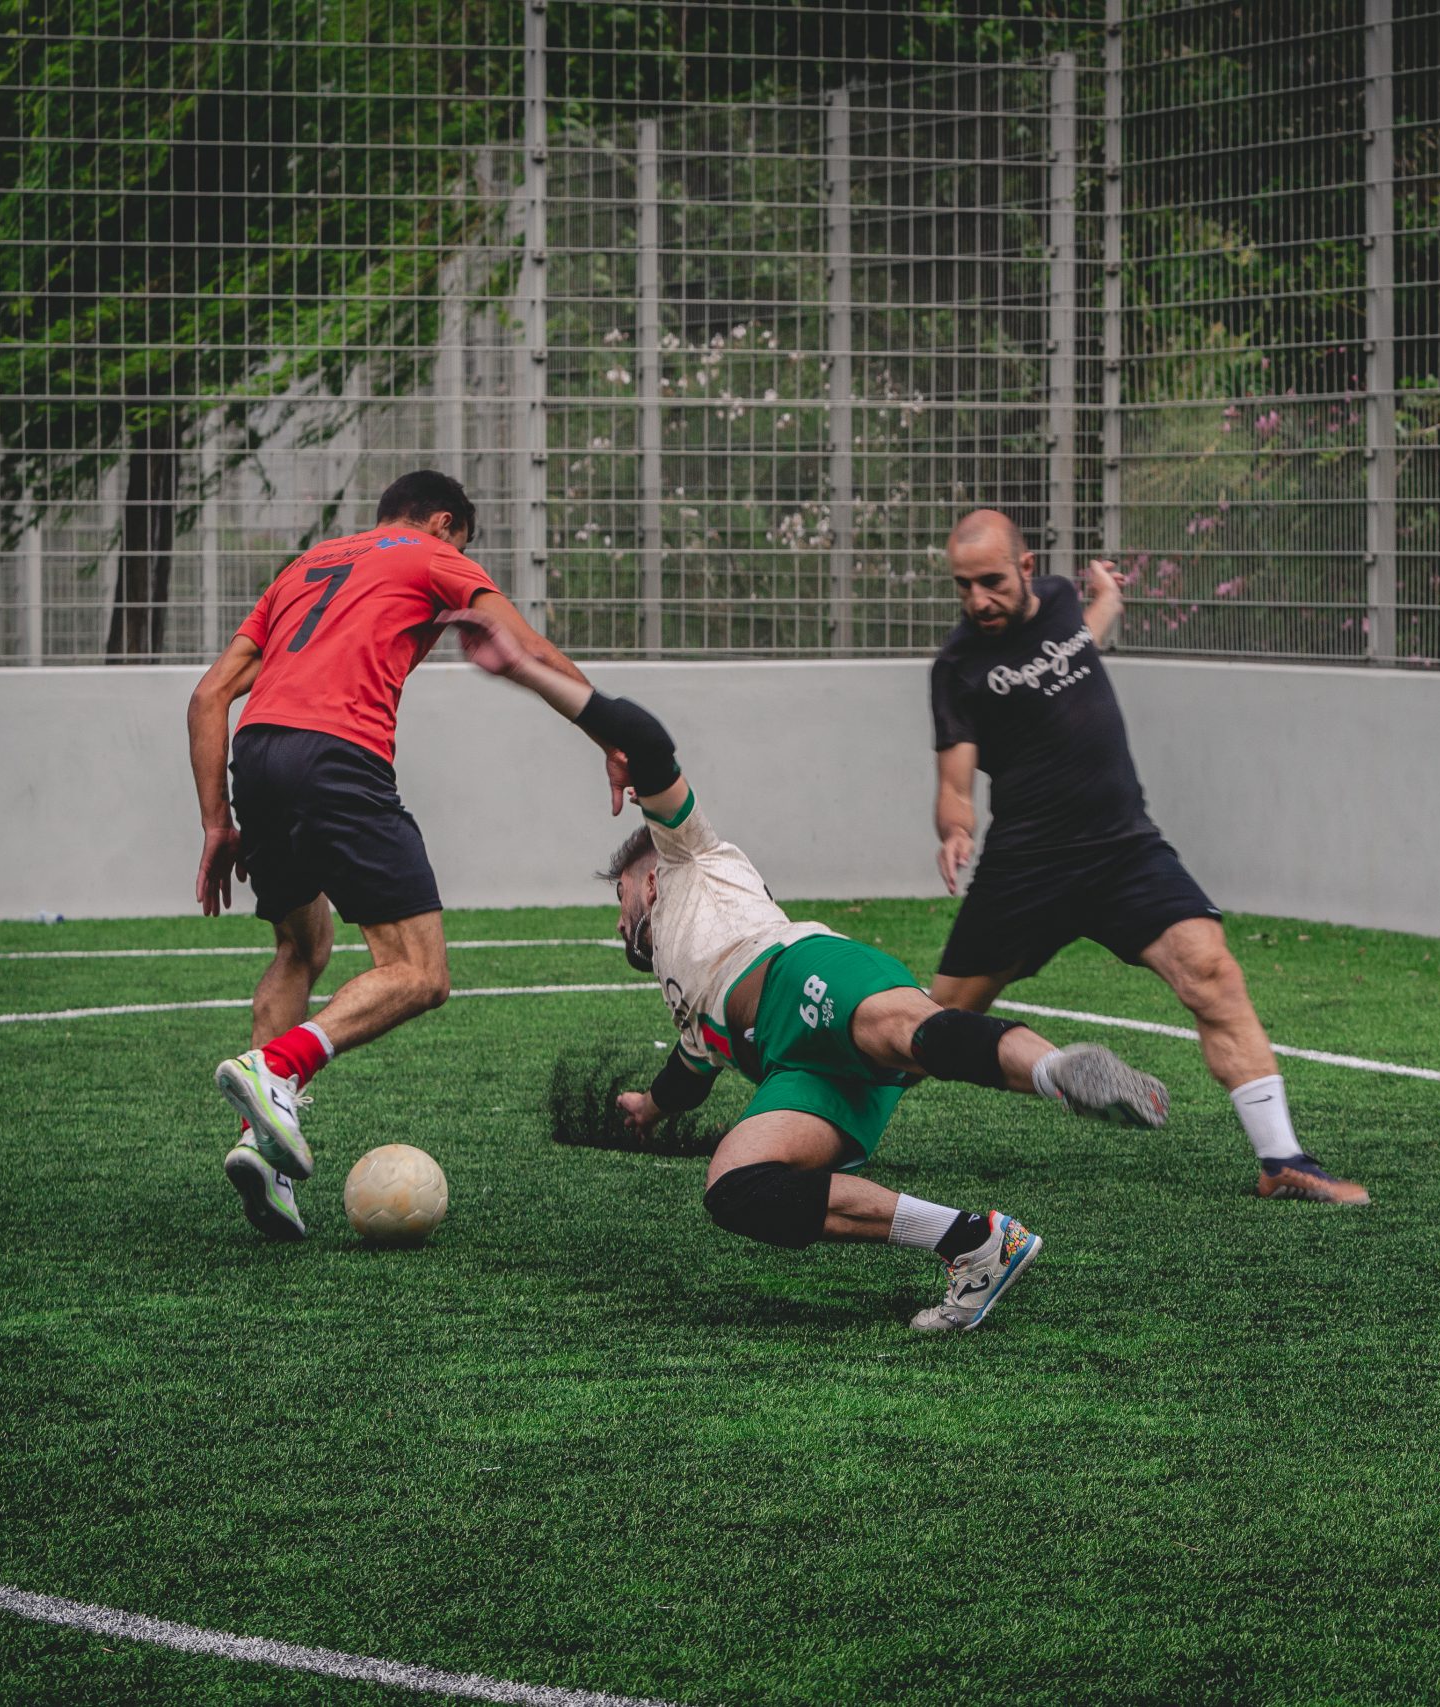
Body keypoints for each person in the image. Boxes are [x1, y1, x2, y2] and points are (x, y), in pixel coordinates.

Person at [441, 605, 1170, 1333]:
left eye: (620, 895)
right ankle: (975, 1241)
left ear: (645, 877)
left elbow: (647, 740)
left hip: (801, 975)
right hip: (799, 1072)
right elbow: (689, 1073)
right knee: (735, 1188)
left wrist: (527, 671)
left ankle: (1061, 1074)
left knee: (906, 1029)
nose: (619, 916)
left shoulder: (687, 852)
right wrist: (650, 1108)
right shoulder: (689, 1002)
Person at [186, 470, 609, 1241]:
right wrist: (613, 732)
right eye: (463, 544)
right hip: (338, 757)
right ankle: (277, 1068)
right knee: (420, 972)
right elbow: (527, 645)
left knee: (300, 944)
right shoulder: (428, 553)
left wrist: (218, 820)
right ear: (444, 523)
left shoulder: (307, 567)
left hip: (258, 754)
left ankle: (263, 1151)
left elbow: (210, 694)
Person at [927, 509, 1369, 1205]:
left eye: (990, 581)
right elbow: (955, 781)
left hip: (1122, 848)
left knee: (1212, 971)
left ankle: (1283, 1158)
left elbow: (1080, 642)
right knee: (930, 1028)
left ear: (1026, 567)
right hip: (1027, 867)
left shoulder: (1067, 603)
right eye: (963, 586)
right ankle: (809, 1110)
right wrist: (955, 828)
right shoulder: (958, 666)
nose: (978, 599)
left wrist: (1109, 596)